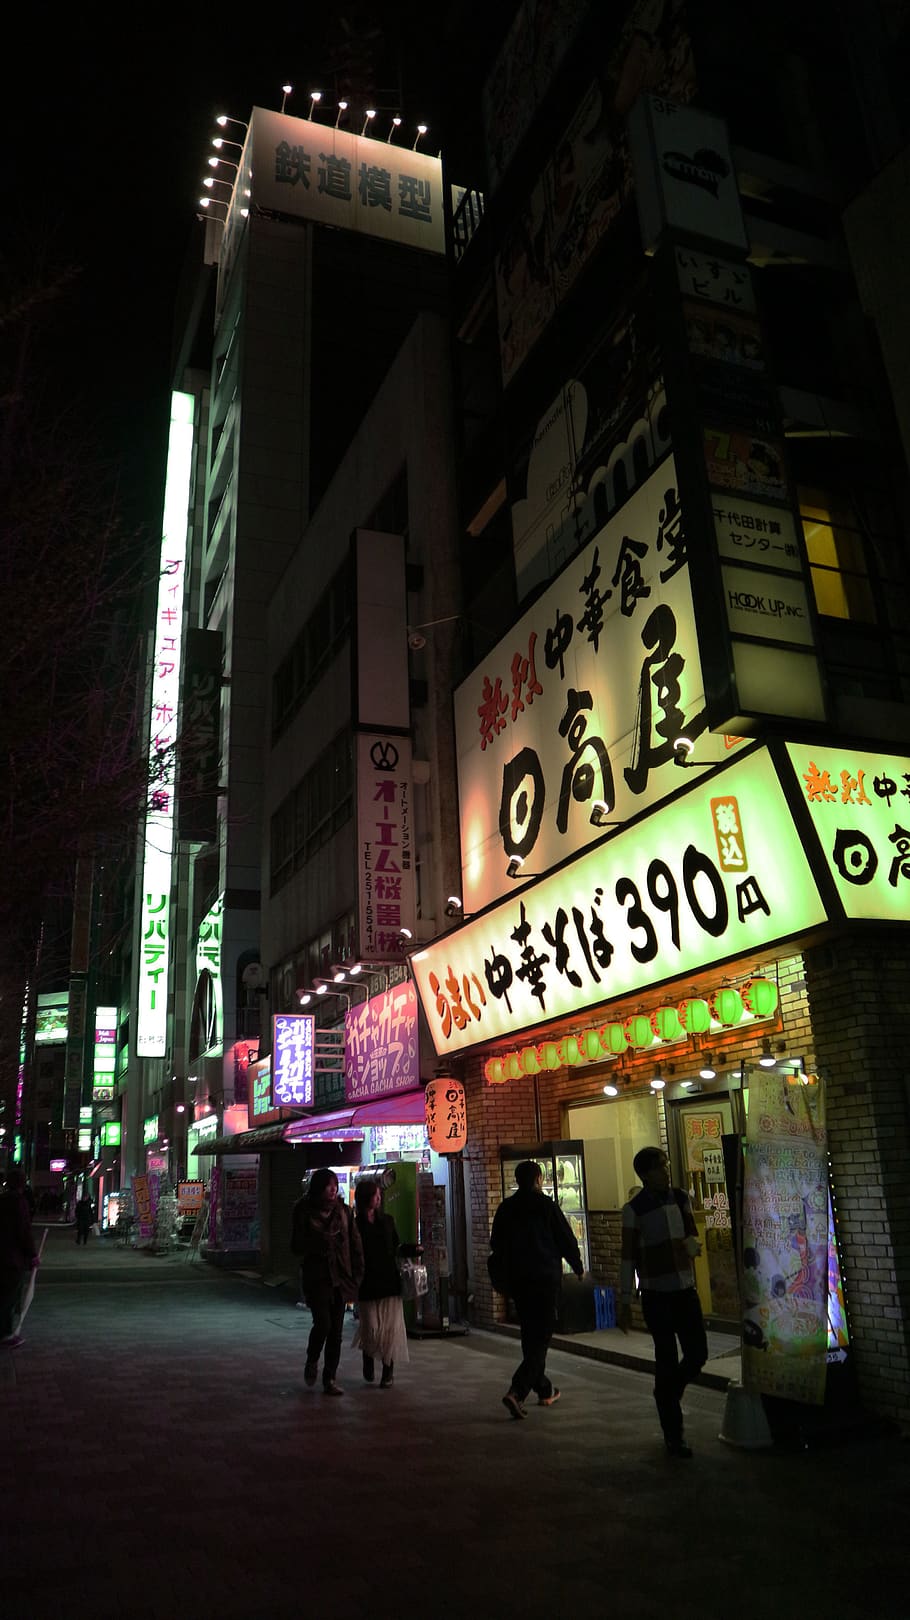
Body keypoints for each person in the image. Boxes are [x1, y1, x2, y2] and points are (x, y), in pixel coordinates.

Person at [619, 1145, 707, 1458]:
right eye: (659, 1167)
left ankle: (667, 1392)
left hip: (685, 1288)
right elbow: (628, 1257)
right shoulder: (634, 1209)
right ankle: (674, 1434)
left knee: (698, 1354)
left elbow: (691, 1233)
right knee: (666, 1358)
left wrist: (691, 1245)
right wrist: (624, 1300)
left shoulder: (681, 1198)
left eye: (666, 1165)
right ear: (644, 1174)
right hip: (656, 1294)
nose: (666, 1172)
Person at [489, 1159, 583, 1419]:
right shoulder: (546, 1206)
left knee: (530, 1336)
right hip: (544, 1279)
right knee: (540, 1338)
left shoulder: (506, 1208)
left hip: (519, 1282)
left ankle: (544, 1388)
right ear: (538, 1179)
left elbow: (496, 1243)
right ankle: (517, 1392)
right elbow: (565, 1238)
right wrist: (577, 1266)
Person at [290, 1168, 364, 1396]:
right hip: (317, 1276)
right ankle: (312, 1360)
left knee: (337, 1331)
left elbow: (355, 1243)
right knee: (323, 1323)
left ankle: (330, 1378)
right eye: (328, 1185)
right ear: (318, 1187)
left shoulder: (343, 1211)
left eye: (334, 1185)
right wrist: (317, 1244)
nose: (333, 1189)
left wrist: (357, 1274)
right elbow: (295, 1246)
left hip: (341, 1276)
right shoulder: (303, 1210)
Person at [352, 1177, 408, 1389]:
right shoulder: (355, 1224)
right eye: (376, 1195)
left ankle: (388, 1371)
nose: (379, 1198)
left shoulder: (387, 1221)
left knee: (390, 1329)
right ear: (366, 1198)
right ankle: (368, 1355)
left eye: (379, 1195)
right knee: (371, 1327)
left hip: (389, 1280)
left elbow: (396, 1245)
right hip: (366, 1281)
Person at [0, 1170, 39, 1348]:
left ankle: (5, 1332)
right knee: (8, 1298)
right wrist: (33, 1254)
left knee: (3, 1296)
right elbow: (23, 1231)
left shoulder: (2, 1200)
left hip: (3, 1255)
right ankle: (5, 1334)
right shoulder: (19, 1202)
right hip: (12, 1258)